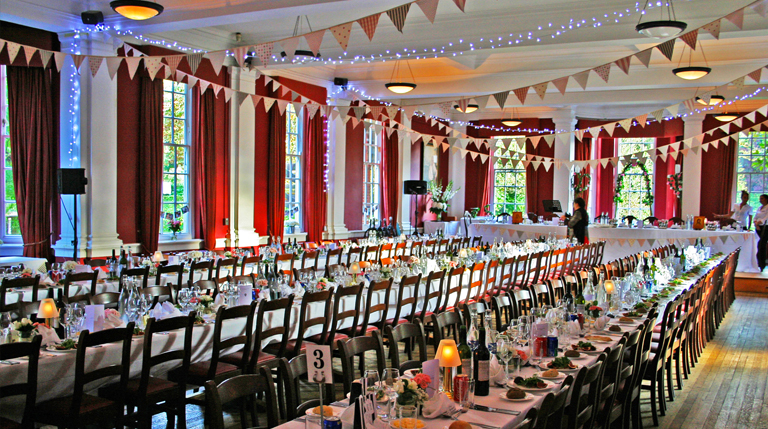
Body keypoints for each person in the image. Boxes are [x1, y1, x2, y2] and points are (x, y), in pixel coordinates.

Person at [753, 194, 768, 271]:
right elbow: (755, 216)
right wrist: (755, 222)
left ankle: (762, 264)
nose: (760, 200)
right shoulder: (759, 208)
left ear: (766, 199)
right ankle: (758, 262)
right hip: (758, 227)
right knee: (758, 245)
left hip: (765, 227)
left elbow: (766, 217)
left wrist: (759, 222)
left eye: (762, 198)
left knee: (762, 245)